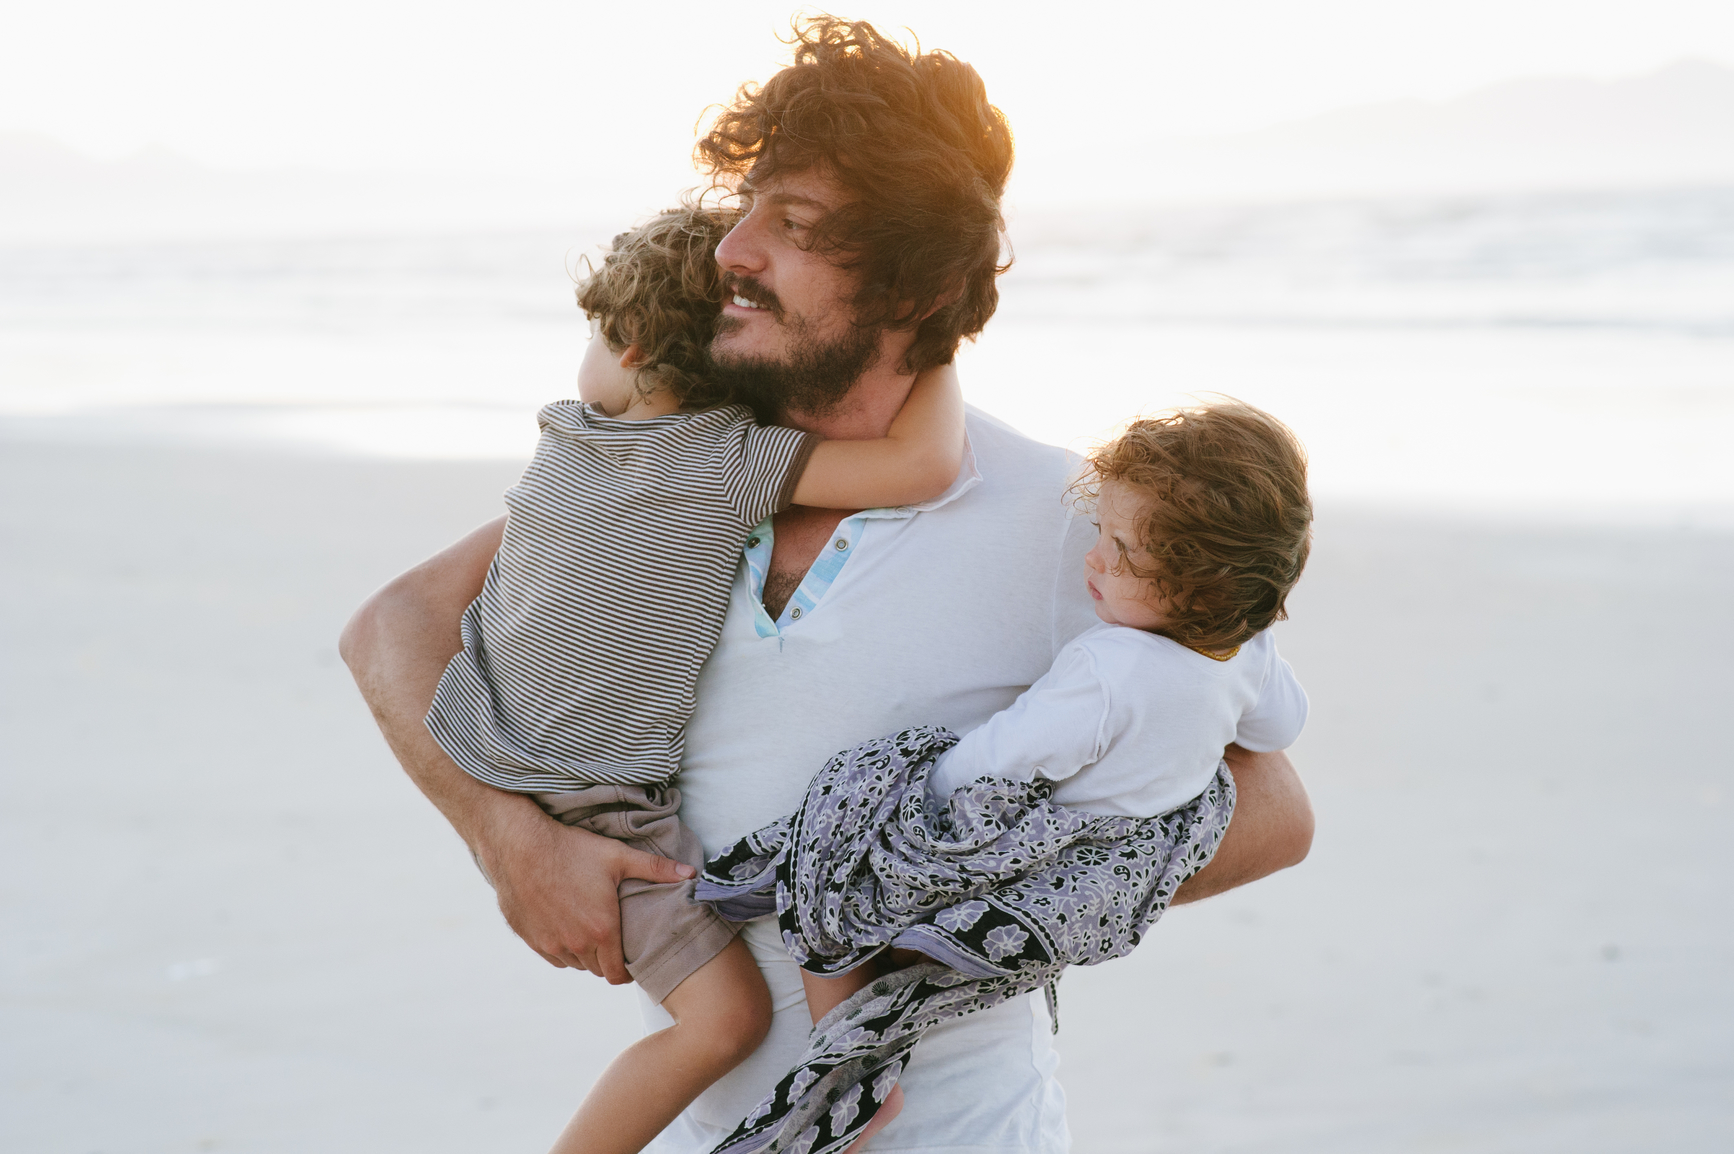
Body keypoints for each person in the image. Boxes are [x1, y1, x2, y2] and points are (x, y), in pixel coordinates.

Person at [340, 18, 1313, 1153]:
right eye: (746, 208)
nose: (731, 251)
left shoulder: (1075, 521)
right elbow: (393, 624)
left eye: (791, 225)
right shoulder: (675, 470)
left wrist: (949, 900)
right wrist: (512, 840)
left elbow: (1274, 809)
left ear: (911, 285)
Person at [420, 202, 965, 1154]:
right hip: (602, 807)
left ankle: (837, 1071)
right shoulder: (726, 462)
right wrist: (942, 342)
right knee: (726, 1023)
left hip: (498, 743)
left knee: (750, 976)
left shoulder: (565, 443)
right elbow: (924, 464)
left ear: (629, 344)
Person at [694, 401, 1313, 1154]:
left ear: (1199, 583)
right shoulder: (1245, 656)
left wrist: (911, 798)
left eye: (1120, 551)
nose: (1093, 562)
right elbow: (1280, 727)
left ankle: (848, 1080)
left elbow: (1008, 757)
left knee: (830, 892)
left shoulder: (1107, 668)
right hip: (1100, 881)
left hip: (1014, 851)